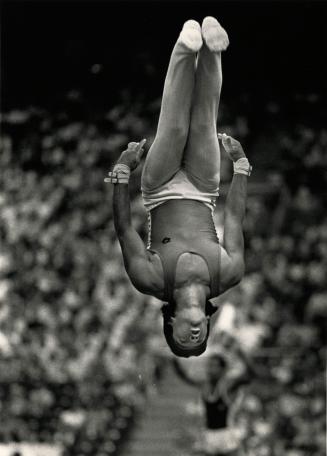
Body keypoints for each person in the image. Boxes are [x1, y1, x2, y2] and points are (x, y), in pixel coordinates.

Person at [107, 17, 252, 357]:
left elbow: (124, 229)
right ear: (208, 326)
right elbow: (233, 220)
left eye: (185, 339)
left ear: (169, 325)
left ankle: (185, 48)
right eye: (200, 339)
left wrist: (121, 171)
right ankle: (213, 52)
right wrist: (242, 168)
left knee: (173, 127)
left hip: (159, 187)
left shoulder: (152, 281)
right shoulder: (229, 274)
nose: (195, 334)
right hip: (204, 191)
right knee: (204, 120)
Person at [172, 337, 261, 456]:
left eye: (214, 366)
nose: (210, 369)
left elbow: (251, 375)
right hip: (209, 435)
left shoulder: (229, 385)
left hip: (226, 434)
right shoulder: (205, 385)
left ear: (223, 369)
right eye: (209, 366)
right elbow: (186, 377)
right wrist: (175, 361)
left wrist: (242, 354)